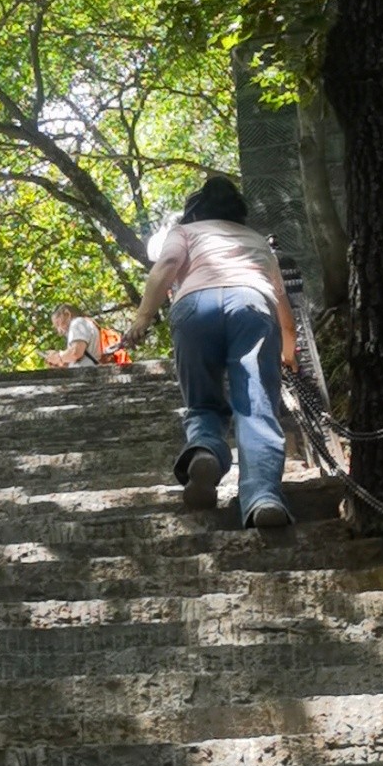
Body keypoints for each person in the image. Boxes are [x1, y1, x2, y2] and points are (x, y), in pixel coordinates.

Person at [123, 173, 297, 539]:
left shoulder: (185, 232)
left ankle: (205, 452)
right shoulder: (255, 240)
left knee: (202, 402)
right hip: (252, 304)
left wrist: (142, 318)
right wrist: (288, 348)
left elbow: (166, 265)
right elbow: (281, 300)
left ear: (195, 212)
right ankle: (263, 497)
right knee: (256, 406)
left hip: (194, 307)